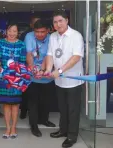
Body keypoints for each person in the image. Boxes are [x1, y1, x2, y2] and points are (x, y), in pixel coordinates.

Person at [44, 10, 84, 148]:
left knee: (73, 110)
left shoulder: (75, 36)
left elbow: (76, 57)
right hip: (59, 81)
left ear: (67, 21)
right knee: (63, 108)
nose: (58, 24)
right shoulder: (53, 36)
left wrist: (60, 70)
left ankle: (72, 136)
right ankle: (63, 130)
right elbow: (50, 55)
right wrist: (49, 69)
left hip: (73, 81)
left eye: (60, 21)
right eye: (55, 22)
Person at [0, 22, 26, 139]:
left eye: (15, 31)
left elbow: (22, 62)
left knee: (15, 104)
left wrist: (17, 73)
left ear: (18, 32)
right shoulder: (0, 43)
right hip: (4, 78)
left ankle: (14, 128)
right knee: (6, 104)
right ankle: (7, 127)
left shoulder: (21, 45)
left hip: (17, 77)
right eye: (10, 31)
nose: (12, 33)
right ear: (6, 31)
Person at [24, 19, 56, 137]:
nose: (40, 34)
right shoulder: (29, 36)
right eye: (37, 32)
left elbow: (49, 55)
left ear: (48, 30)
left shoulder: (52, 38)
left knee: (46, 100)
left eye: (43, 32)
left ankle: (44, 119)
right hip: (33, 76)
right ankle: (34, 125)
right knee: (33, 102)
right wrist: (33, 68)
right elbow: (29, 54)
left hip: (47, 74)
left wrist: (42, 70)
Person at [19, 15, 41, 119]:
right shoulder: (26, 35)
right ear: (31, 25)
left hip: (41, 71)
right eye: (35, 23)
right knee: (26, 93)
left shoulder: (45, 36)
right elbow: (25, 52)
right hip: (27, 69)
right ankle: (23, 111)